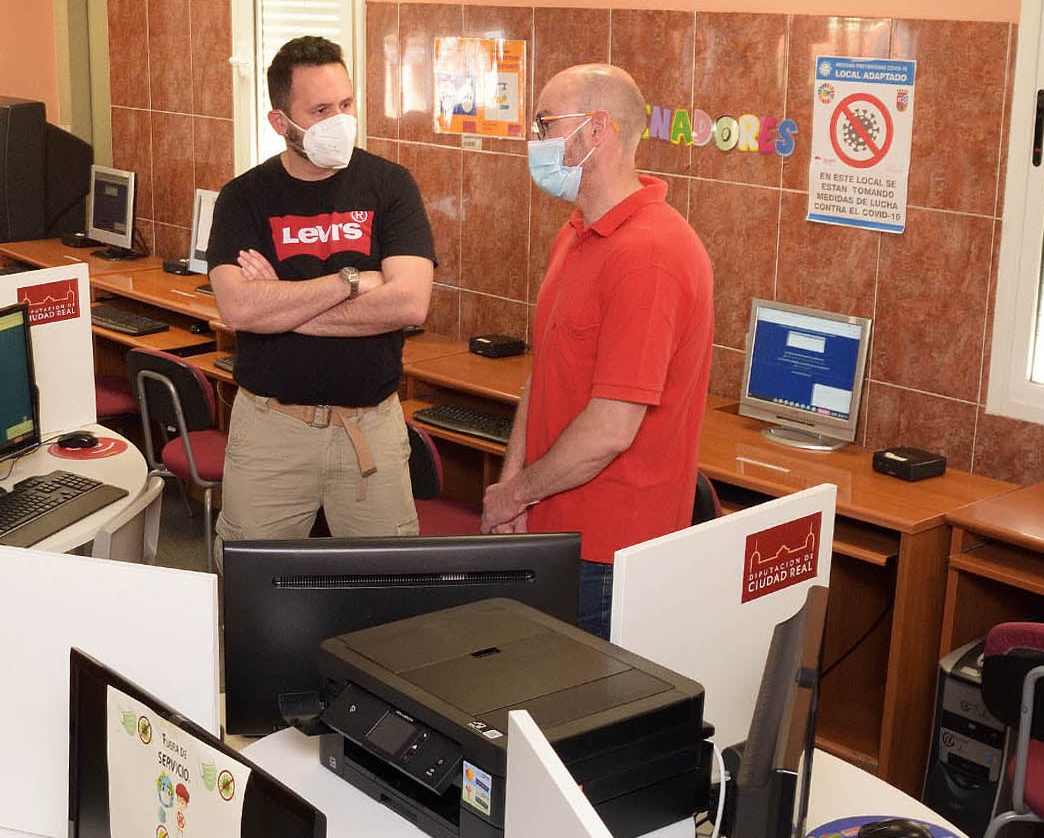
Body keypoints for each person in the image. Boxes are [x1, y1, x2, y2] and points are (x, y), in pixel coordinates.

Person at [481, 64, 714, 639]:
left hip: (608, 556)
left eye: (544, 123)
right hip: (550, 528)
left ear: (596, 130)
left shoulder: (651, 255)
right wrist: (512, 491)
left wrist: (516, 492)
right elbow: (545, 373)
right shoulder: (578, 231)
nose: (533, 140)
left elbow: (611, 428)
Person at [205, 35, 437, 540]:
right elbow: (240, 309)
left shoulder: (390, 185)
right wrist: (351, 282)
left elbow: (409, 301)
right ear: (280, 122)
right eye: (320, 109)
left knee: (386, 594)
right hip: (271, 432)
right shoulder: (243, 198)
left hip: (370, 429)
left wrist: (282, 303)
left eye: (346, 104)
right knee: (254, 591)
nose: (339, 120)